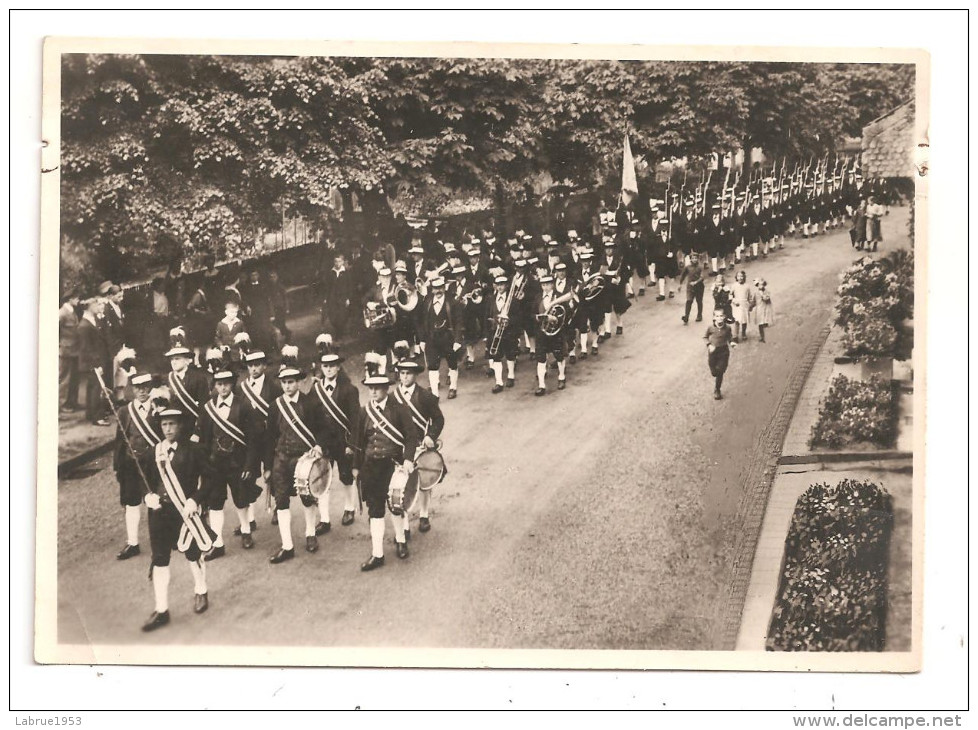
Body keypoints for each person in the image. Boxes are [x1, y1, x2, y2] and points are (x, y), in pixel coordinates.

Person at [139, 404, 216, 631]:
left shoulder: (194, 450)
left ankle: (201, 590)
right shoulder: (153, 452)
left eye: (172, 423)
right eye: (164, 424)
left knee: (193, 554)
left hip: (185, 512)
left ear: (180, 426)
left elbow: (210, 479)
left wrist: (196, 499)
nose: (168, 428)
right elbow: (143, 481)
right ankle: (161, 609)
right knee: (160, 559)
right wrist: (147, 497)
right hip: (160, 515)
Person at [262, 347, 330, 563]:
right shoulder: (275, 407)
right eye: (284, 382)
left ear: (299, 382)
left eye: (291, 381)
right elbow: (270, 437)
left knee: (307, 498)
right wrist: (266, 467)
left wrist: (319, 446)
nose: (288, 386)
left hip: (304, 460)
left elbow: (323, 429)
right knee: (281, 501)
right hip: (281, 459)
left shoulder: (310, 403)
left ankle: (310, 534)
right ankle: (287, 545)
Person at [194, 362, 262, 557]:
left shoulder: (244, 406)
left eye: (226, 384)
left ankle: (246, 531)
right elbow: (203, 439)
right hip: (215, 465)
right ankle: (217, 543)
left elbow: (252, 439)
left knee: (241, 500)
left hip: (237, 463)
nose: (222, 388)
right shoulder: (208, 409)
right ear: (214, 385)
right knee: (215, 503)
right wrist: (204, 464)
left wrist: (249, 464)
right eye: (219, 384)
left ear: (232, 385)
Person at [353, 374, 419, 571]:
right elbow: (358, 442)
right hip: (371, 467)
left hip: (393, 466)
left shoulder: (399, 410)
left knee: (396, 505)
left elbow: (411, 436)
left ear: (386, 388)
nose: (373, 391)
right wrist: (356, 467)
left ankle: (400, 541)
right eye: (370, 388)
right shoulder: (364, 412)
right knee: (375, 510)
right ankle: (377, 554)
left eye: (378, 387)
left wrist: (407, 459)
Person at [310, 335, 361, 529]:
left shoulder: (349, 390)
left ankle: (349, 508)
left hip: (344, 441)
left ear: (338, 368)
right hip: (324, 442)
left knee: (346, 476)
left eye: (332, 366)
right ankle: (324, 519)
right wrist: (316, 443)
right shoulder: (316, 390)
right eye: (325, 366)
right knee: (322, 479)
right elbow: (313, 420)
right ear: (321, 368)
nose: (329, 369)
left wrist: (352, 445)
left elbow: (355, 420)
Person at [111, 371, 161, 560]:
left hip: (153, 464)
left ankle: (160, 539)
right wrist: (118, 467)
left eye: (146, 387)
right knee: (131, 504)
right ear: (132, 389)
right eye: (138, 388)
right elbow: (120, 441)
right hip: (131, 465)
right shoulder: (125, 411)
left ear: (150, 388)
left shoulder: (159, 408)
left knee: (155, 502)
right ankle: (133, 543)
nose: (142, 391)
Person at [391, 359, 444, 535]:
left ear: (415, 375)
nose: (404, 377)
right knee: (401, 484)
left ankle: (424, 514)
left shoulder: (425, 396)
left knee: (424, 482)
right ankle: (404, 522)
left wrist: (431, 436)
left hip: (421, 447)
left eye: (408, 373)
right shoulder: (392, 397)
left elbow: (438, 419)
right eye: (402, 373)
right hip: (401, 447)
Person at [235, 342, 283, 532]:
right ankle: (250, 518)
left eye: (257, 364)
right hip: (249, 441)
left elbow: (281, 412)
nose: (253, 368)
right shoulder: (241, 387)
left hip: (270, 437)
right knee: (248, 475)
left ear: (264, 366)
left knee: (274, 473)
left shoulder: (274, 386)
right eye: (250, 365)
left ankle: (279, 507)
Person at [419, 276, 463, 399]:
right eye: (435, 288)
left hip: (448, 338)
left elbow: (459, 322)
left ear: (444, 288)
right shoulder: (427, 303)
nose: (438, 291)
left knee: (452, 364)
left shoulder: (452, 302)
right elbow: (423, 322)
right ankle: (434, 394)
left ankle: (453, 387)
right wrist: (422, 340)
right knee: (432, 366)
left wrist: (457, 340)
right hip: (432, 339)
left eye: (440, 288)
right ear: (432, 290)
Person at [164, 327, 212, 434]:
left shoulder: (199, 378)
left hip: (192, 427)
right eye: (172, 359)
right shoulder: (168, 379)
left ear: (187, 361)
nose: (173, 362)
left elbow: (204, 407)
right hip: (173, 429)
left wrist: (197, 432)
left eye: (177, 358)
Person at [534, 274, 574, 396]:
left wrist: (555, 319)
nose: (545, 287)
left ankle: (561, 377)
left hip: (556, 333)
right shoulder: (537, 298)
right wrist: (536, 317)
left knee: (559, 356)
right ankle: (541, 385)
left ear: (552, 285)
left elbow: (566, 312)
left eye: (548, 285)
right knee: (541, 359)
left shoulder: (559, 296)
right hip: (542, 333)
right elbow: (531, 313)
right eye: (543, 285)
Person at [77, 297, 110, 426]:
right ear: (89, 306)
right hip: (91, 362)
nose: (98, 306)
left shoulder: (91, 320)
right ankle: (97, 417)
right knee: (96, 387)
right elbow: (86, 348)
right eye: (95, 304)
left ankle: (90, 413)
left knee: (92, 386)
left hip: (94, 360)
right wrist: (97, 364)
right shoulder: (84, 325)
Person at [486, 275, 519, 394]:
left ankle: (510, 375)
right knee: (496, 357)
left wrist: (509, 321)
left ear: (506, 286)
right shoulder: (490, 299)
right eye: (498, 285)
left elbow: (517, 316)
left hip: (509, 331)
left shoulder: (513, 300)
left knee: (510, 354)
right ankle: (498, 382)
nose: (500, 287)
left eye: (502, 285)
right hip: (495, 331)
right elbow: (487, 315)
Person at [704, 308, 737, 400]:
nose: (719, 318)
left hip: (723, 352)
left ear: (724, 317)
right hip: (713, 352)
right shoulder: (710, 328)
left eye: (721, 316)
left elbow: (729, 337)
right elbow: (705, 337)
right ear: (714, 317)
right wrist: (709, 345)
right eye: (717, 316)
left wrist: (731, 343)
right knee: (714, 372)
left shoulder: (727, 328)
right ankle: (716, 374)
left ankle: (717, 390)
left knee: (720, 372)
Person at [59, 289, 81, 411]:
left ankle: (72, 402)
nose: (78, 300)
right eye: (76, 298)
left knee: (74, 378)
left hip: (75, 350)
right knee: (64, 379)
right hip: (66, 350)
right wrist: (60, 345)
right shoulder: (62, 313)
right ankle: (62, 405)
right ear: (70, 299)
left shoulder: (72, 312)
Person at [322, 253, 354, 338]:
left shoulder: (346, 273)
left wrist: (348, 298)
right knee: (332, 315)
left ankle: (340, 332)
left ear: (343, 262)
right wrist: (326, 298)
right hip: (332, 297)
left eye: (339, 261)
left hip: (343, 297)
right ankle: (337, 329)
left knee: (342, 315)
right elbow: (327, 286)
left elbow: (350, 286)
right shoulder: (331, 273)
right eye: (335, 261)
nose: (337, 263)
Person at [729, 270, 756, 342]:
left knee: (744, 321)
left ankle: (743, 333)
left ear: (744, 277)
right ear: (736, 277)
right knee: (736, 321)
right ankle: (735, 336)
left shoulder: (747, 286)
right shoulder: (734, 285)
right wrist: (734, 301)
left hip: (744, 305)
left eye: (741, 276)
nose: (740, 278)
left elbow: (750, 297)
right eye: (738, 276)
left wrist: (751, 305)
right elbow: (730, 294)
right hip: (737, 305)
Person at [679, 253, 705, 325]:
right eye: (693, 258)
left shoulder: (700, 267)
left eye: (696, 258)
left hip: (699, 287)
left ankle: (699, 315)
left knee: (699, 301)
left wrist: (696, 282)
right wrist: (680, 284)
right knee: (689, 301)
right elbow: (683, 276)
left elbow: (702, 277)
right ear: (690, 259)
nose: (694, 259)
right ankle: (686, 317)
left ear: (698, 259)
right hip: (690, 287)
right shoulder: (687, 267)